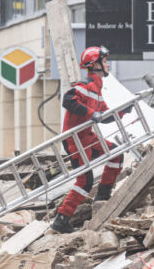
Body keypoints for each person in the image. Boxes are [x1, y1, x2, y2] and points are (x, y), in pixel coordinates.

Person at [51, 46, 125, 234]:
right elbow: (68, 100)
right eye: (105, 61)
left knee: (115, 153)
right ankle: (61, 220)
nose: (108, 64)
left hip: (87, 136)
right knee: (84, 180)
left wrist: (123, 111)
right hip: (74, 139)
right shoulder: (85, 85)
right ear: (95, 65)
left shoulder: (97, 88)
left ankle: (102, 198)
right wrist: (92, 114)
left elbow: (104, 115)